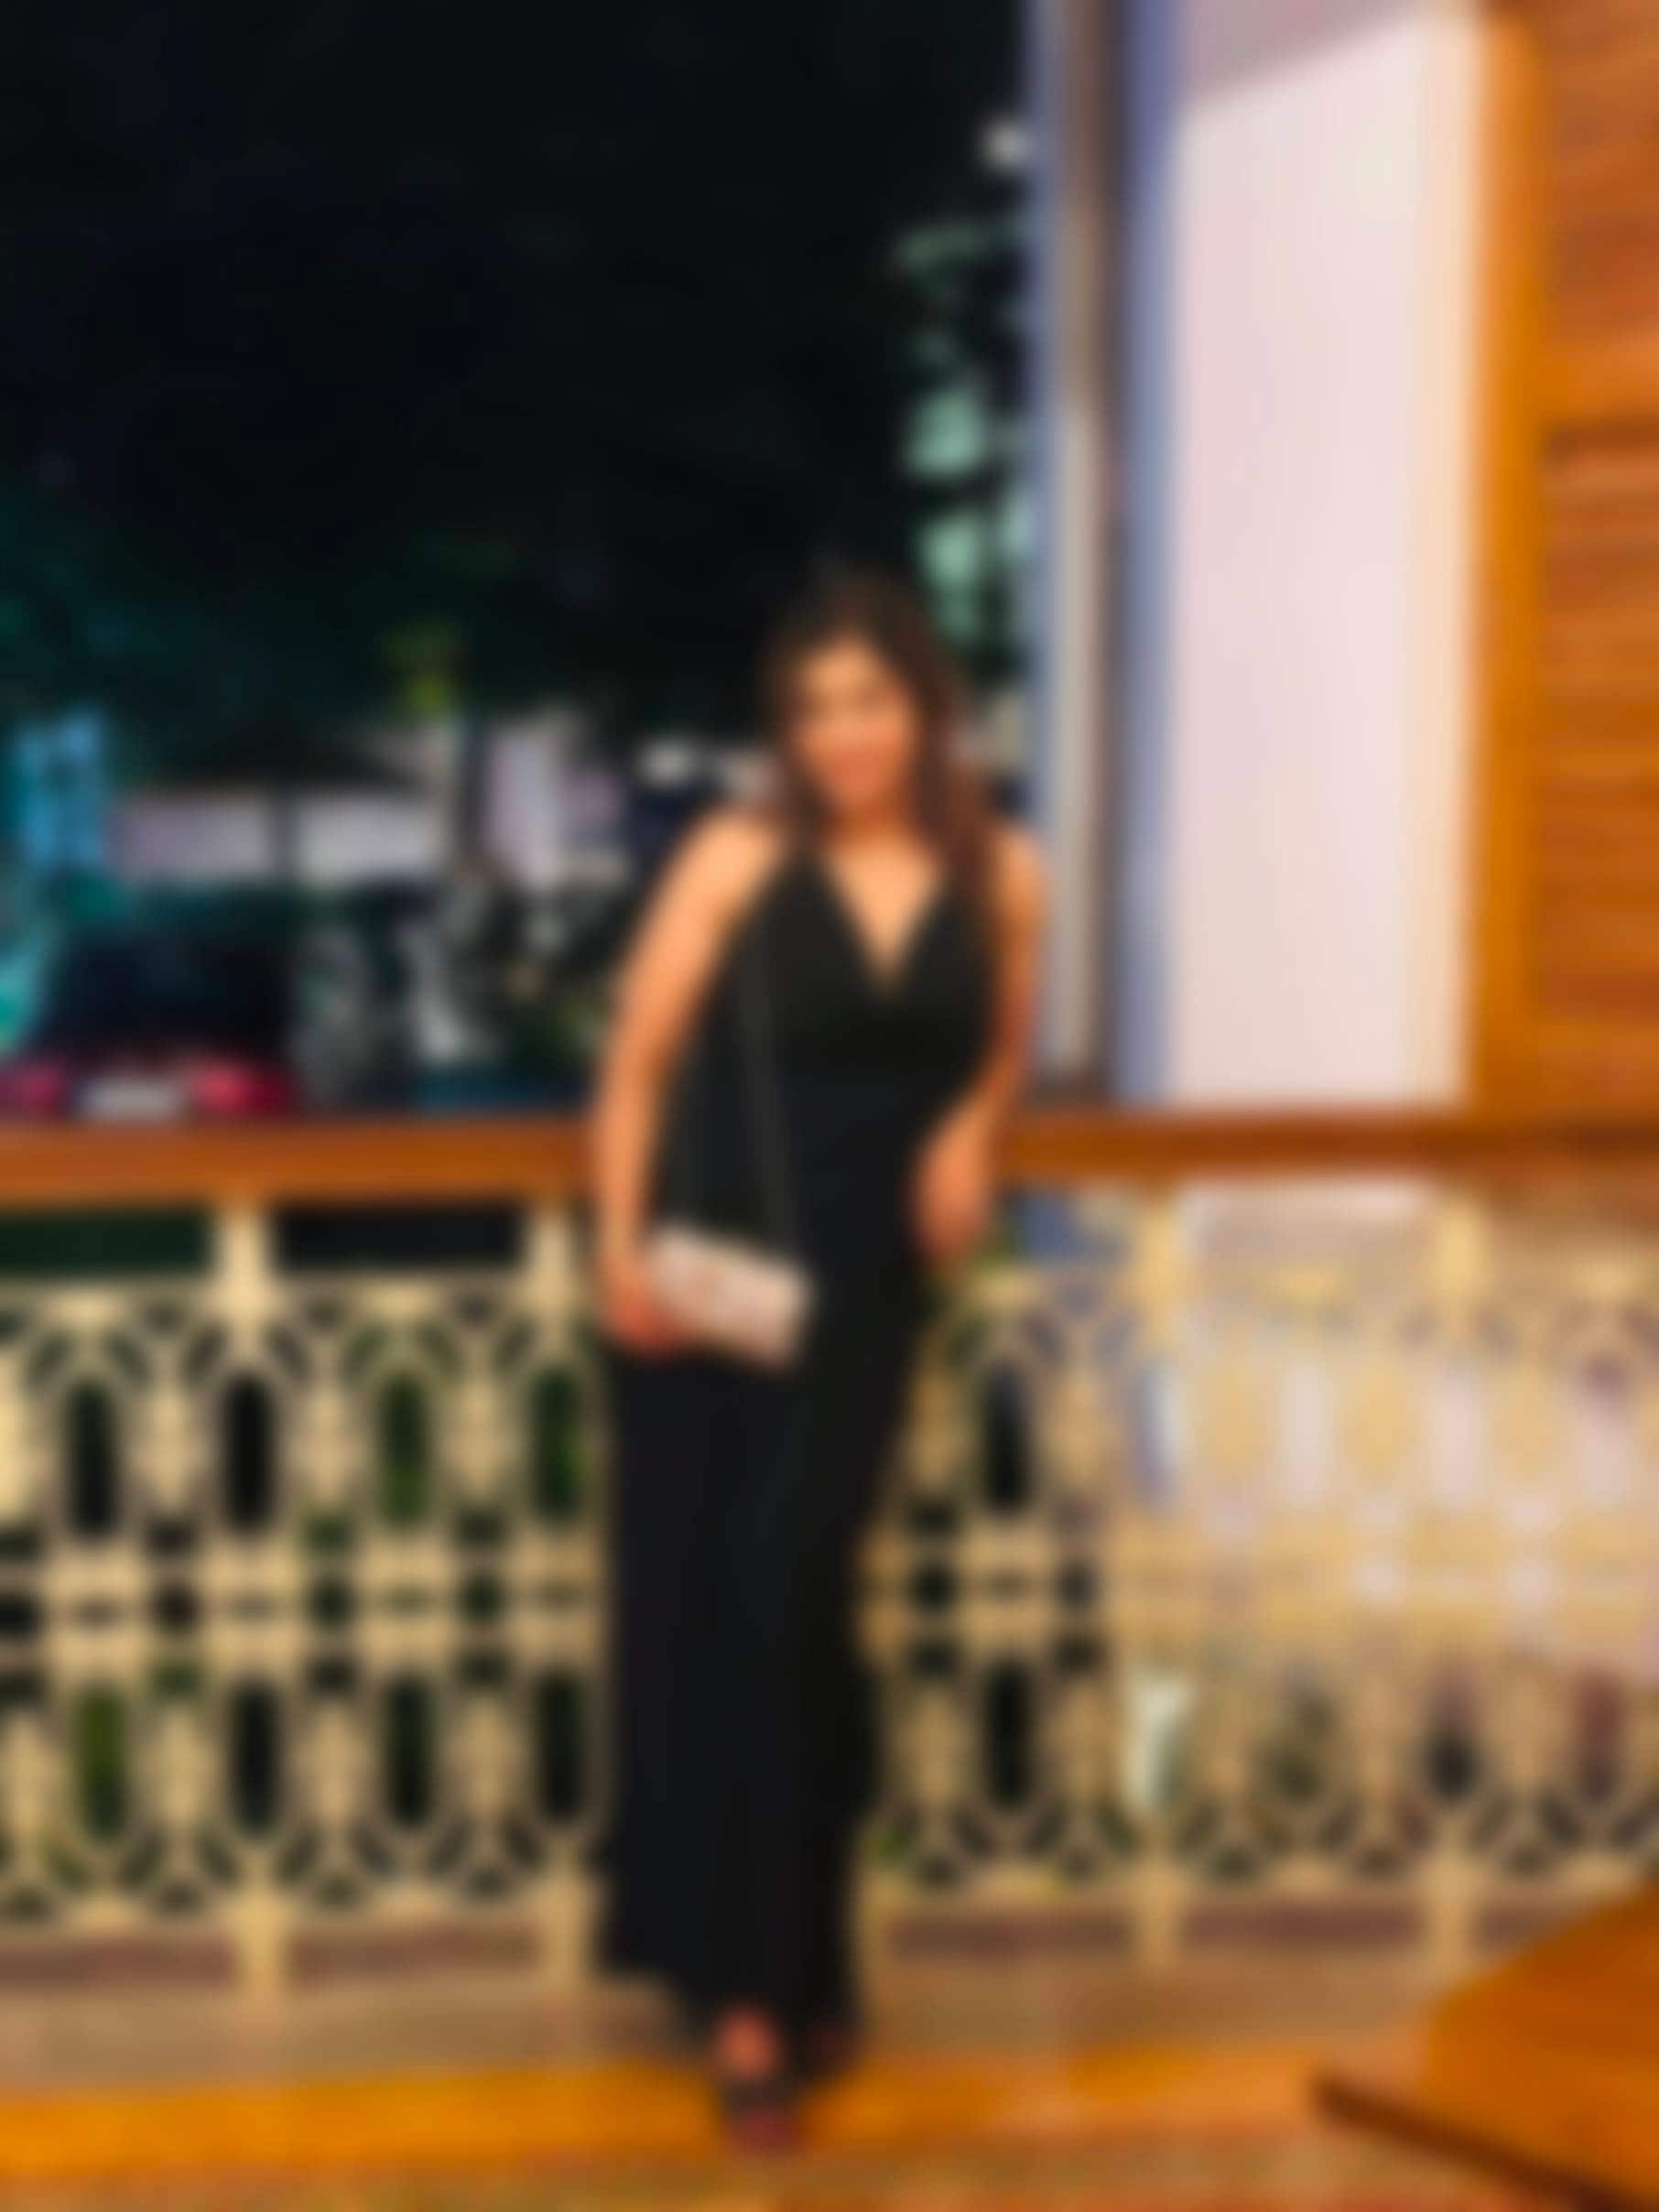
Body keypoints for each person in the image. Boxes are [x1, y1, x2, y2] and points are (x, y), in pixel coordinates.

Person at [589, 569, 1044, 2146]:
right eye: (814, 709)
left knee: (797, 1603)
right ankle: (753, 1998)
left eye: (872, 701)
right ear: (786, 729)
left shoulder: (1005, 874)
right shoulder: (734, 855)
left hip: (868, 1289)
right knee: (724, 1612)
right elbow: (637, 1067)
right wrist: (618, 1251)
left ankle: (795, 1956)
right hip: (712, 1279)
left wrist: (972, 1134)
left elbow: (999, 1051)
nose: (846, 734)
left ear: (925, 704)